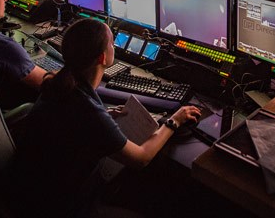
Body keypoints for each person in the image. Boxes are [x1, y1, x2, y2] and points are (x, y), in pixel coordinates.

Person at [14, 18, 201, 217]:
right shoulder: (87, 112)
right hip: (64, 207)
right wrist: (174, 121)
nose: (114, 46)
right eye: (112, 43)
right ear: (103, 58)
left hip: (33, 192)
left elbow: (74, 127)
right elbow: (141, 158)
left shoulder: (56, 83)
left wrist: (106, 114)